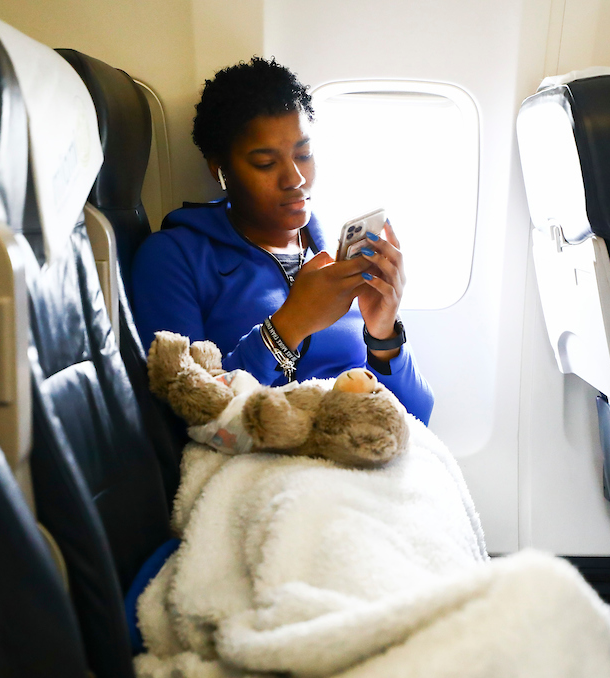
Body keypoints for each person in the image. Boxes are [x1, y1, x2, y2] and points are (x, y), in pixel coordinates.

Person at [129, 57, 434, 425]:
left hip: (359, 455)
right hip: (259, 467)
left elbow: (418, 418)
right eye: (265, 163)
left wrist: (383, 333)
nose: (295, 178)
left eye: (303, 155)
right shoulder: (173, 258)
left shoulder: (335, 258)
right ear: (220, 170)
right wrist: (287, 327)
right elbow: (181, 417)